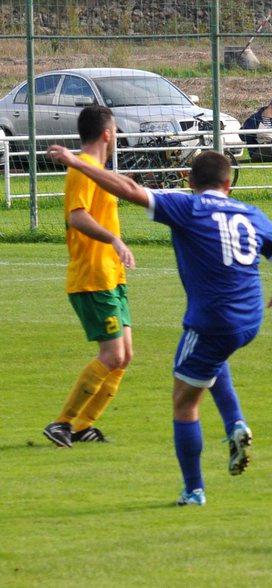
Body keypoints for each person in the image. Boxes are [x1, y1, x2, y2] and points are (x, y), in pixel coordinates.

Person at [47, 144, 272, 507]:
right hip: (250, 319)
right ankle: (235, 423)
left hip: (212, 320)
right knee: (212, 359)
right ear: (228, 184)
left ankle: (193, 490)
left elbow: (130, 190)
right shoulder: (251, 212)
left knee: (184, 402)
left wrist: (77, 163)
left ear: (190, 182)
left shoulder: (187, 207)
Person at [43, 105, 136, 448]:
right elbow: (77, 216)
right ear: (107, 134)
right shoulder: (82, 169)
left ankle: (83, 426)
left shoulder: (97, 170)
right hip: (92, 277)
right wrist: (113, 239)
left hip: (112, 276)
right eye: (116, 132)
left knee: (124, 356)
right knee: (112, 355)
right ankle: (62, 423)